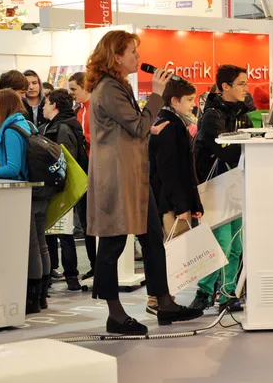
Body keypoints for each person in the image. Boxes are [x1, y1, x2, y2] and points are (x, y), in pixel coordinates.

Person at [85, 30, 202, 335]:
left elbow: (128, 129)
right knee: (112, 244)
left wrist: (150, 128)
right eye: (133, 52)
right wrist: (157, 94)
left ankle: (164, 301)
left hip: (134, 177)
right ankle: (115, 313)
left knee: (152, 239)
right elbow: (137, 127)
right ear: (116, 56)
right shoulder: (109, 88)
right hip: (118, 178)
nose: (138, 58)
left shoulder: (117, 86)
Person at [0, 89, 49, 314]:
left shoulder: (12, 130)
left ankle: (31, 300)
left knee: (33, 247)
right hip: (39, 191)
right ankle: (40, 298)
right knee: (40, 245)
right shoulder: (27, 124)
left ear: (4, 106)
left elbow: (13, 169)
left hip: (23, 195)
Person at [190, 64, 253, 313]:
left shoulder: (243, 113)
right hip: (215, 186)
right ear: (225, 86)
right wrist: (249, 141)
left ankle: (227, 294)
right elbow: (221, 149)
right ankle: (206, 292)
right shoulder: (212, 115)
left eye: (247, 83)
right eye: (241, 83)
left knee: (235, 245)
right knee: (221, 243)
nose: (246, 89)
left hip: (235, 185)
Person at [147, 76, 204, 315]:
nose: (193, 104)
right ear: (175, 100)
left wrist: (193, 203)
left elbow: (184, 170)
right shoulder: (168, 126)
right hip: (169, 203)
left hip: (175, 201)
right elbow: (169, 171)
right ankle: (158, 300)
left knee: (173, 251)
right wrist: (181, 205)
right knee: (170, 251)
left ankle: (164, 299)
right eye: (189, 99)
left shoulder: (175, 122)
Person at [39, 89, 86, 292]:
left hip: (60, 187)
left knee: (64, 234)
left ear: (54, 106)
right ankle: (56, 274)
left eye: (46, 103)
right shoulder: (59, 125)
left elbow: (66, 159)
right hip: (58, 186)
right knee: (55, 233)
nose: (42, 107)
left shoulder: (62, 128)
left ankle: (71, 276)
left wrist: (57, 183)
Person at [68, 71, 95, 280]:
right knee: (86, 220)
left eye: (74, 89)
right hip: (82, 172)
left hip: (99, 171)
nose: (71, 94)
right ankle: (95, 264)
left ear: (85, 88)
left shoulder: (97, 109)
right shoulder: (76, 111)